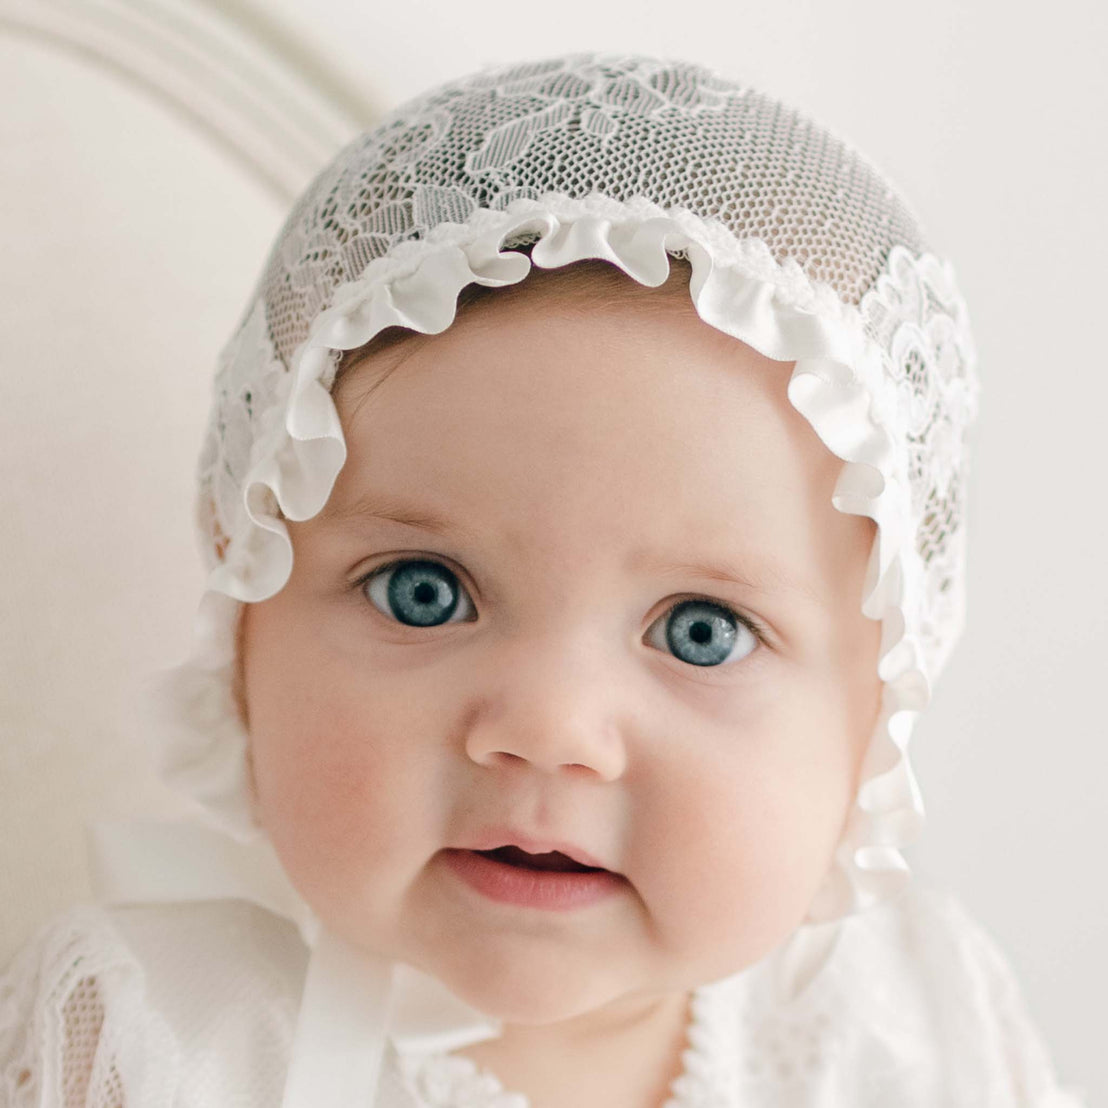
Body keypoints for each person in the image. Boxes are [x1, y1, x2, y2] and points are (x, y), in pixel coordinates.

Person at [0, 52, 1087, 1108]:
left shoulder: (906, 1019)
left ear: (874, 719)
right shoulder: (154, 1041)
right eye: (422, 589)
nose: (548, 727)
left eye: (702, 630)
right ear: (242, 623)